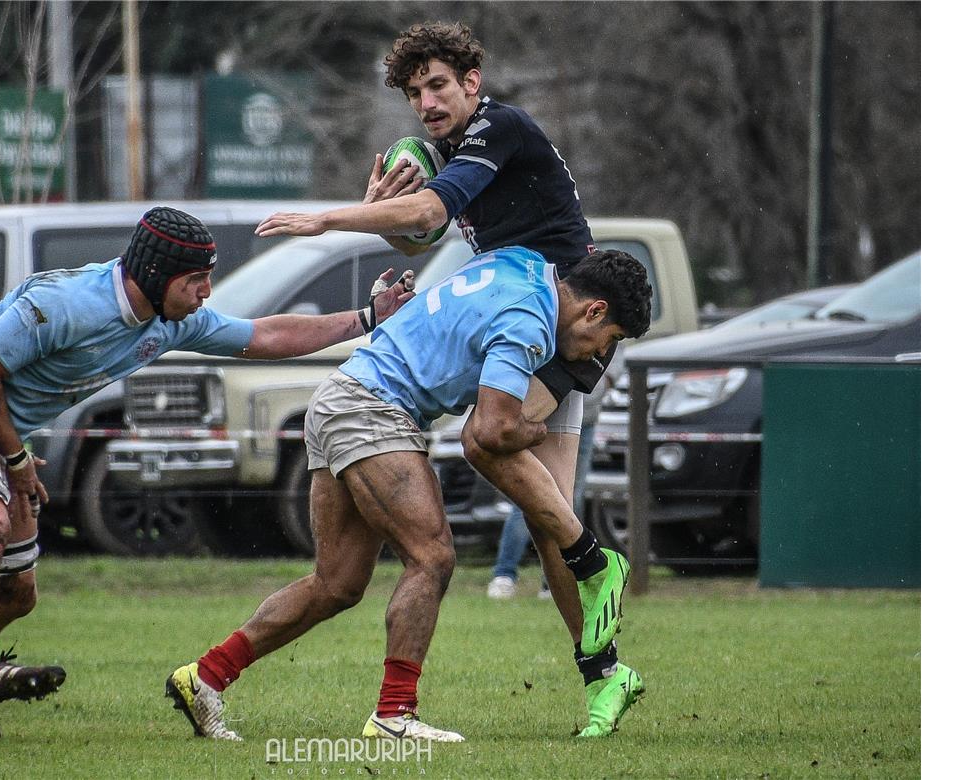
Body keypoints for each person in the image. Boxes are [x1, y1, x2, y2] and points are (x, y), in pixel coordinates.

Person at [0, 206, 416, 738]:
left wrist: (367, 317)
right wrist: (18, 459)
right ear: (158, 276)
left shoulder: (170, 321)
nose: (207, 291)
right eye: (197, 280)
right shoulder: (65, 301)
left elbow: (266, 335)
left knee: (17, 594)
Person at [254, 21, 641, 736]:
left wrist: (327, 219)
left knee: (501, 454)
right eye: (413, 91)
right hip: (524, 325)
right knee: (546, 507)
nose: (426, 101)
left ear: (471, 82)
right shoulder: (447, 149)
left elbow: (430, 210)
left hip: (569, 324)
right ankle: (606, 668)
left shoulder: (501, 127)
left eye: (437, 84)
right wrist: (381, 212)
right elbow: (421, 232)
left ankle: (598, 602)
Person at [167, 248, 650, 743]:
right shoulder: (530, 322)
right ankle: (394, 714)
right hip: (374, 408)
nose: (595, 355)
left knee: (336, 584)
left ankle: (204, 677)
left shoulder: (521, 263)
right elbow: (493, 431)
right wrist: (536, 430)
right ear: (594, 310)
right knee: (432, 557)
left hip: (341, 394)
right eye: (606, 340)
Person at [488, 363, 608, 599]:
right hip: (544, 412)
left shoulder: (609, 337)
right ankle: (505, 572)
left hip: (584, 415)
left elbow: (612, 364)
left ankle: (556, 580)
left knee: (567, 498)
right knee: (529, 496)